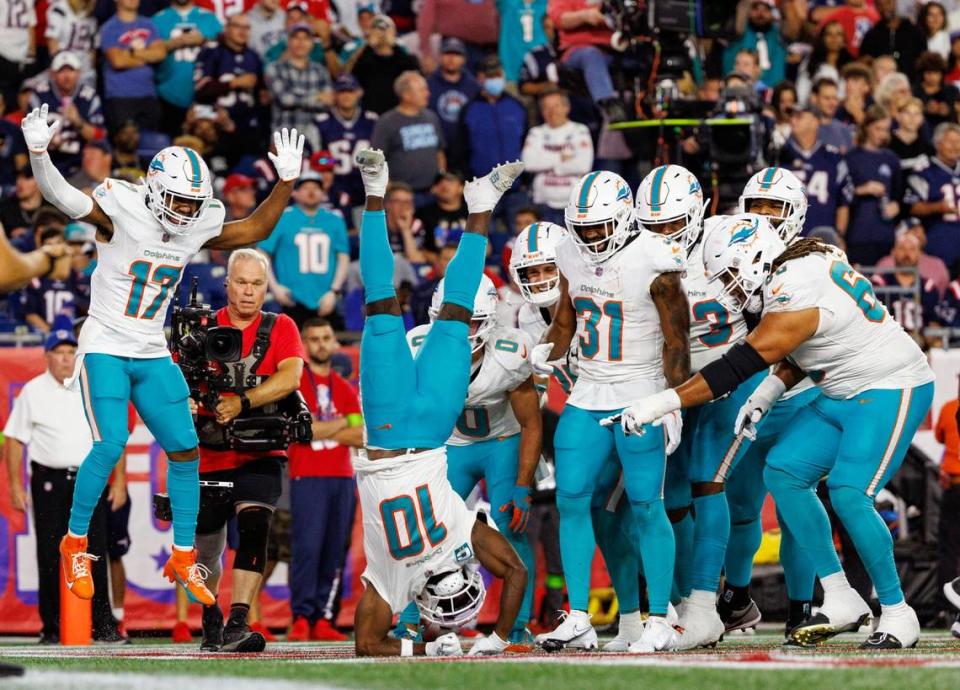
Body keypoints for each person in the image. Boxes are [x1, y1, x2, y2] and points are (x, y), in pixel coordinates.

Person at [21, 101, 304, 606]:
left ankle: (182, 555)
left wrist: (284, 184)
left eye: (195, 203)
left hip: (152, 348)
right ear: (152, 192)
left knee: (186, 451)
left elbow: (254, 230)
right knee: (110, 445)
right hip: (106, 341)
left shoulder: (193, 222)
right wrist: (40, 154)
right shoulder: (123, 212)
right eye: (180, 201)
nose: (189, 212)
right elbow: (65, 199)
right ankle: (76, 542)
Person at [610, 218, 934, 650]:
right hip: (841, 386)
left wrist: (660, 403)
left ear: (753, 260)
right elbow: (812, 345)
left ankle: (897, 610)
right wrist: (769, 391)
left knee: (849, 492)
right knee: (783, 472)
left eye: (728, 274)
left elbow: (738, 364)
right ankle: (839, 595)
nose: (727, 287)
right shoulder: (803, 264)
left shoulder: (791, 286)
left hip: (891, 384)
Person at [351, 147, 528, 657]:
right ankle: (481, 204)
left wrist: (430, 650)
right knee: (455, 314)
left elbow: (366, 644)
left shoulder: (397, 579)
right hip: (429, 434)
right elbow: (514, 569)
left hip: (387, 432)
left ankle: (375, 192)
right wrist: (491, 642)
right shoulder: (456, 539)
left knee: (381, 303)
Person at [530, 169, 689, 653]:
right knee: (571, 499)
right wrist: (547, 349)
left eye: (600, 227)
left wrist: (673, 402)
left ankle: (659, 617)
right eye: (584, 229)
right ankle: (579, 614)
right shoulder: (567, 252)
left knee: (646, 504)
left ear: (622, 219)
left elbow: (676, 338)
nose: (592, 238)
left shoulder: (655, 258)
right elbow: (566, 318)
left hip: (641, 389)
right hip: (588, 391)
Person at [394, 275, 542, 643]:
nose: (462, 329)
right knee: (427, 533)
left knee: (512, 526)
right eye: (454, 317)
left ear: (490, 319)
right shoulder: (417, 345)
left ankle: (517, 625)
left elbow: (531, 423)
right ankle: (410, 619)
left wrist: (523, 483)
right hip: (450, 446)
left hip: (502, 441)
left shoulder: (510, 350)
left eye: (471, 320)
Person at [717, 168, 821, 642]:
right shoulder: (719, 248)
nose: (762, 217)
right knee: (740, 510)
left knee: (797, 508)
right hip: (742, 396)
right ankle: (736, 597)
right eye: (755, 206)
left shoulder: (816, 261)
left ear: (795, 214)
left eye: (773, 209)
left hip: (800, 395)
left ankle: (802, 607)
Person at [185, 249, 306, 653]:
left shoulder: (282, 326)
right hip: (209, 450)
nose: (249, 291)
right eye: (242, 282)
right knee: (208, 545)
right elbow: (172, 376)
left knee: (255, 528)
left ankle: (238, 620)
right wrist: (184, 398)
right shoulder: (200, 327)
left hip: (261, 449)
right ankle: (210, 617)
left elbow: (291, 376)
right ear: (227, 283)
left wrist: (243, 401)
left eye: (257, 284)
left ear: (266, 287)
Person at [3, 328, 125, 644]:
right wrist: (16, 486)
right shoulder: (32, 391)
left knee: (94, 550)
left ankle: (104, 625)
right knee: (49, 552)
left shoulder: (91, 386)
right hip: (49, 481)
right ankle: (53, 627)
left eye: (71, 351)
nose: (66, 358)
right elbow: (14, 439)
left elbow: (112, 435)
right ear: (46, 357)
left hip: (90, 480)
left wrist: (120, 479)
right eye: (59, 352)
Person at [287, 317, 363, 642]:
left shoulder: (344, 387)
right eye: (313, 338)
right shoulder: (294, 386)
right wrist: (338, 424)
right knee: (307, 547)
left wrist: (319, 426)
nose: (320, 344)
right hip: (307, 476)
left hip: (342, 477)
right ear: (303, 345)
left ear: (335, 343)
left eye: (326, 338)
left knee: (334, 550)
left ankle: (324, 616)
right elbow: (298, 430)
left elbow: (360, 434)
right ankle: (302, 616)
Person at [259, 170, 350, 329]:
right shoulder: (283, 217)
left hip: (326, 299)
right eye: (305, 187)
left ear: (323, 193)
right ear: (295, 192)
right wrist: (274, 287)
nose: (311, 191)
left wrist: (334, 291)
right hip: (291, 299)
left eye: (316, 187)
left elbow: (343, 257)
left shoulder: (335, 220)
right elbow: (262, 253)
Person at [194, 13, 264, 162]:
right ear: (226, 28)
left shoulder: (254, 56)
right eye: (237, 26)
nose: (242, 31)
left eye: (246, 28)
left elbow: (261, 96)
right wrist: (234, 83)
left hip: (247, 127)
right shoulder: (212, 52)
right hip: (218, 124)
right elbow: (201, 88)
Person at [777, 105, 852, 236]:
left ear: (815, 121)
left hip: (822, 240)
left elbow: (843, 201)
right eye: (792, 116)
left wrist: (838, 236)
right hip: (787, 239)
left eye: (799, 116)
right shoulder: (780, 156)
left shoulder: (833, 158)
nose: (793, 120)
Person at [521, 90, 592, 226]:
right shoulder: (536, 132)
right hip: (542, 205)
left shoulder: (580, 130)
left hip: (573, 205)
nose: (552, 111)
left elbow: (583, 165)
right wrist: (562, 158)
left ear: (567, 108)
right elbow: (528, 163)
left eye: (556, 106)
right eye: (546, 107)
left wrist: (546, 160)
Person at [28, 51, 105, 178]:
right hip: (46, 163)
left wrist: (77, 122)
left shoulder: (89, 97)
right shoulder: (40, 95)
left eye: (71, 70)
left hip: (80, 165)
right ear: (52, 74)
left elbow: (99, 136)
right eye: (61, 71)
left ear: (79, 73)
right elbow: (27, 132)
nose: (67, 76)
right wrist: (47, 140)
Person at [546, 0, 626, 121]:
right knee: (592, 55)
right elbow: (559, 19)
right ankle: (607, 103)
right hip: (577, 50)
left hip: (614, 48)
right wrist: (584, 16)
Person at [152, 0, 223, 135]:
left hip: (205, 96)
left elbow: (224, 51)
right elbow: (147, 54)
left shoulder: (209, 17)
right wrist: (169, 45)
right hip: (168, 94)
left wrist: (204, 40)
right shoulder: (157, 19)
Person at [371, 71, 446, 199]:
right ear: (406, 95)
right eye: (422, 90)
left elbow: (439, 152)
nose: (428, 94)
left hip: (433, 193)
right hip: (402, 197)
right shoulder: (387, 122)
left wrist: (441, 179)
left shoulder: (431, 117)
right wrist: (389, 189)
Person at [845, 105, 901, 266]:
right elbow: (840, 195)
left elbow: (899, 194)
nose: (883, 134)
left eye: (886, 129)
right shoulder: (852, 158)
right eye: (878, 128)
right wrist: (862, 190)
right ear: (867, 126)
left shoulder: (892, 159)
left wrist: (896, 206)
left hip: (886, 235)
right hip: (858, 234)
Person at [99, 0, 167, 131]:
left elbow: (160, 53)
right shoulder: (109, 28)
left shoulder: (148, 24)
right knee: (125, 143)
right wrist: (146, 56)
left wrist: (131, 53)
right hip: (120, 97)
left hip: (149, 95)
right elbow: (118, 61)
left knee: (152, 144)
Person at [265, 22, 333, 151]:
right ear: (288, 41)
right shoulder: (274, 68)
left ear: (312, 43)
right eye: (296, 37)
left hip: (316, 140)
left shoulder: (321, 71)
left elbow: (328, 102)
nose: (301, 42)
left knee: (316, 171)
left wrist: (296, 97)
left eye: (306, 38)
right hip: (283, 141)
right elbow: (285, 99)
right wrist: (316, 97)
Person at [457, 55, 526, 180]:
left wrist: (525, 180)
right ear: (479, 78)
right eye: (490, 76)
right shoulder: (469, 110)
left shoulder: (516, 107)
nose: (495, 79)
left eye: (498, 75)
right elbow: (461, 150)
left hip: (515, 188)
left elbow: (526, 144)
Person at [315, 73, 379, 208]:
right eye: (341, 91)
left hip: (366, 187)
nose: (346, 96)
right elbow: (317, 160)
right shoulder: (322, 122)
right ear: (334, 94)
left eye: (350, 91)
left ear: (359, 93)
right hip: (336, 188)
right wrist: (334, 161)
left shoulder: (371, 121)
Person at [905, 122, 960, 272]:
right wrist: (938, 207)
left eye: (958, 142)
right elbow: (912, 206)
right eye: (950, 142)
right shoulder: (925, 170)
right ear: (938, 144)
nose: (955, 146)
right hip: (939, 240)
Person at [870, 232, 942, 345]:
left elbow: (934, 323)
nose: (907, 254)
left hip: (920, 347)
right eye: (902, 248)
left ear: (920, 254)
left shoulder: (928, 287)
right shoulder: (880, 283)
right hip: (886, 345)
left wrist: (924, 339)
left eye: (912, 249)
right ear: (893, 252)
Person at [344, 14, 420, 115]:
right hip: (370, 115)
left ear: (394, 32)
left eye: (386, 28)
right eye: (377, 28)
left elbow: (413, 74)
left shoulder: (405, 60)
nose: (382, 32)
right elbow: (347, 75)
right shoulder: (364, 58)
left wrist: (394, 44)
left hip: (399, 114)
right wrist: (368, 45)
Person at [937, 381, 960, 638]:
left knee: (949, 550)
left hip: (955, 486)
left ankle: (948, 610)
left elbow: (942, 436)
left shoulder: (949, 408)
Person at [427, 37, 479, 149]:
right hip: (436, 146)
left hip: (465, 147)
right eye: (447, 53)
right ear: (440, 57)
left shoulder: (474, 86)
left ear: (464, 59)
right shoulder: (428, 85)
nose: (451, 58)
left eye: (456, 54)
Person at [859, 0, 924, 81]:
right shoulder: (871, 36)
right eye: (880, 5)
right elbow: (864, 62)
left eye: (888, 3)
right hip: (880, 86)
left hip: (910, 84)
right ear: (876, 7)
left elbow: (922, 60)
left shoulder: (914, 32)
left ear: (895, 3)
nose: (884, 7)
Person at [416, 171, 469, 256]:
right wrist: (438, 261)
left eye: (450, 181)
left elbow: (487, 248)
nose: (444, 185)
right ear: (434, 189)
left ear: (461, 188)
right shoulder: (423, 213)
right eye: (440, 182)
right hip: (433, 265)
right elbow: (417, 247)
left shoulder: (472, 212)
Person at [45, 0, 99, 83]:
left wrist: (90, 68)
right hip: (65, 70)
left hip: (86, 72)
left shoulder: (92, 10)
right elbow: (53, 42)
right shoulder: (60, 8)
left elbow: (93, 48)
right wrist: (59, 69)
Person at [913, 51, 959, 130]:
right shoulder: (914, 91)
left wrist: (948, 110)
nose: (932, 76)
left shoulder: (952, 90)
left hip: (947, 130)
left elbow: (957, 111)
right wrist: (925, 109)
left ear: (942, 73)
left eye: (936, 72)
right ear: (922, 73)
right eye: (928, 73)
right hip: (921, 130)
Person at [810, 78, 854, 153]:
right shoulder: (803, 129)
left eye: (835, 98)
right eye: (827, 98)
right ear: (814, 98)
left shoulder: (844, 130)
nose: (832, 103)